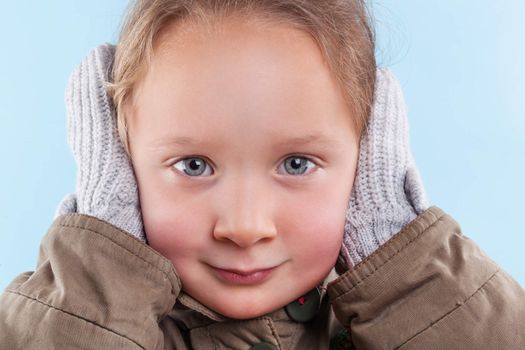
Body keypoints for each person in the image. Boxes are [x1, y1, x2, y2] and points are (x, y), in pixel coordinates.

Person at [1, 1, 524, 349]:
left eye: (297, 164)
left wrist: (395, 247)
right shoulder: (68, 317)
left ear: (367, 162)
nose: (245, 227)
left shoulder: (414, 312)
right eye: (193, 165)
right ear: (119, 163)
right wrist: (105, 252)